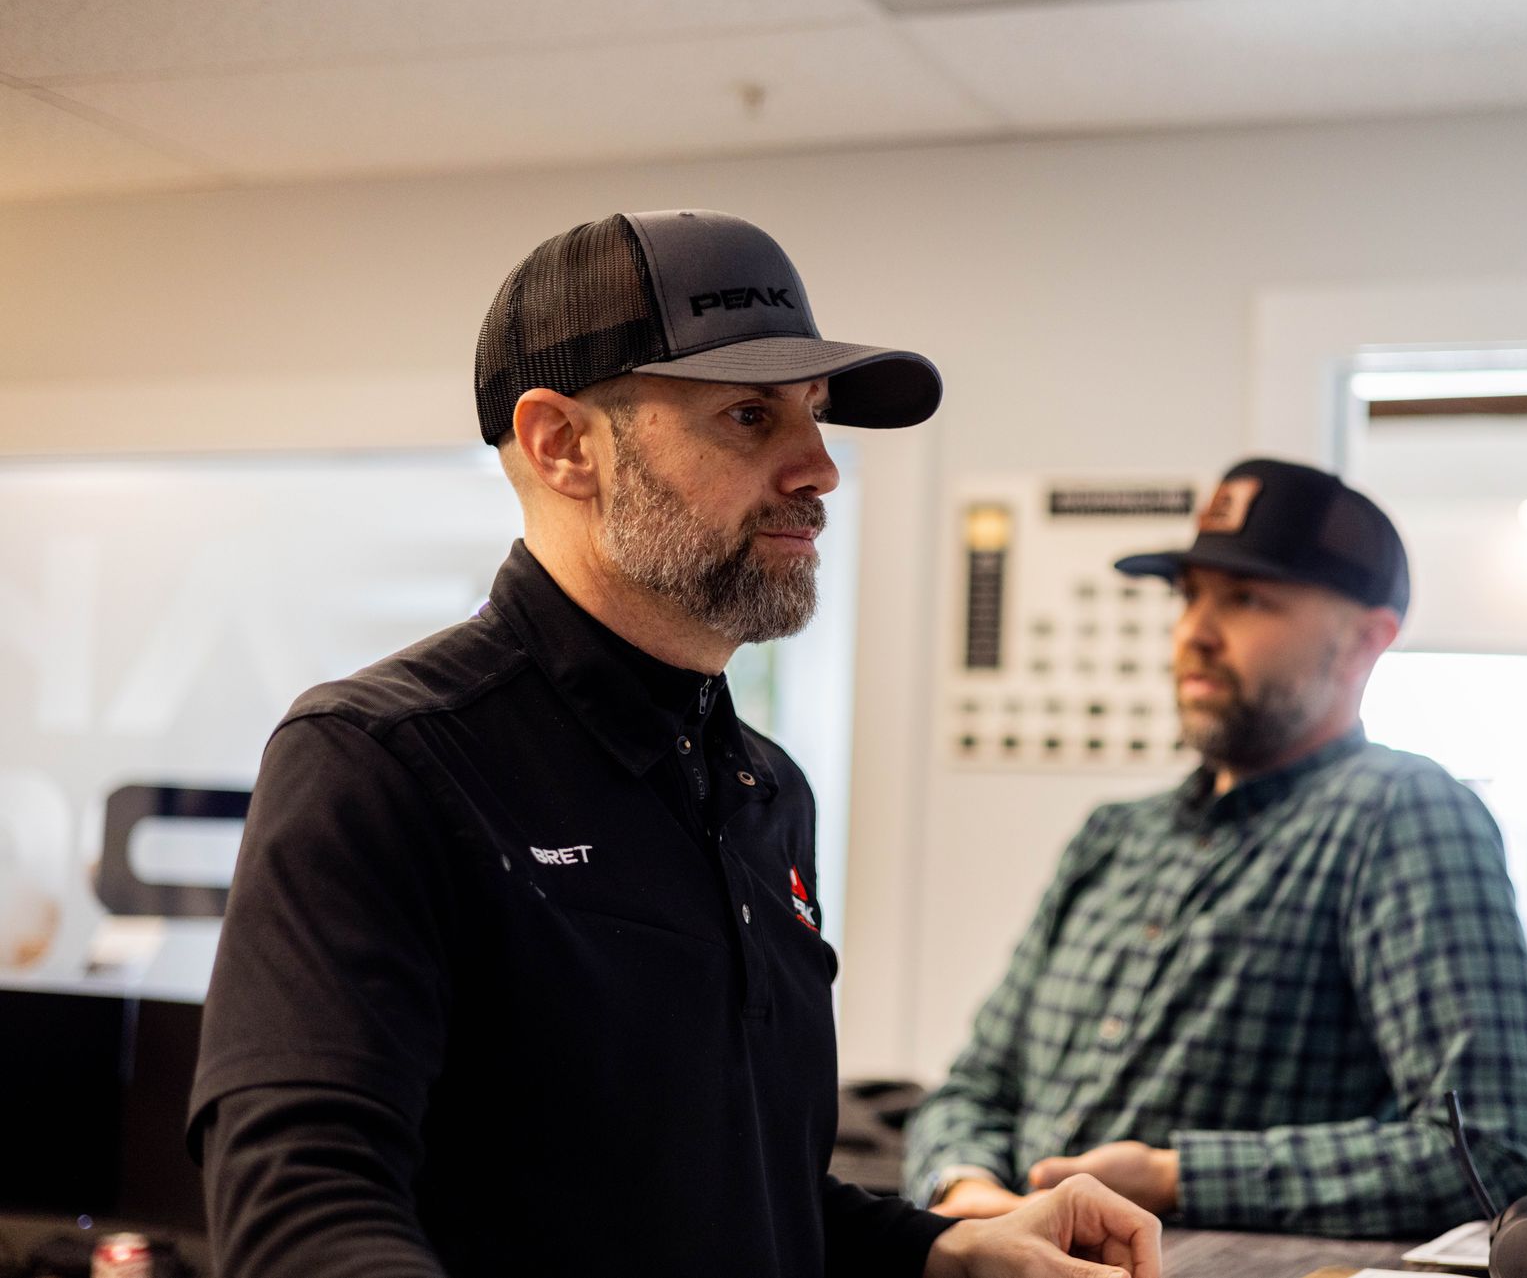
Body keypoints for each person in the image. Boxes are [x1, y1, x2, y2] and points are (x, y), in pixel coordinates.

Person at [189, 210, 1160, 1278]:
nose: (820, 469)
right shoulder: (380, 759)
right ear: (564, 445)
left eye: (817, 415)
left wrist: (951, 1253)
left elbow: (739, 1196)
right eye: (750, 417)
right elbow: (302, 1216)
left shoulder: (766, 790)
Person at [904, 458, 1527, 1238]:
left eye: (1246, 600)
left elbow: (1490, 1151)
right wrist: (966, 1186)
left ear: (1363, 642)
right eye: (1190, 596)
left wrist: (1174, 1178)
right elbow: (975, 1084)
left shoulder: (1400, 815)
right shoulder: (1116, 834)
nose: (1194, 633)